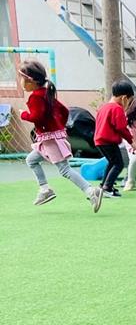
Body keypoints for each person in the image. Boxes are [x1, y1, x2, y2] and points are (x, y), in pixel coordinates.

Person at [19, 59, 102, 212]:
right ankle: (45, 189)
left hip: (50, 140)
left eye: (22, 78)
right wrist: (59, 127)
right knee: (31, 160)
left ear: (31, 81)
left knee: (64, 169)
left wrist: (24, 115)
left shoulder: (35, 97)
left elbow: (36, 117)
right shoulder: (46, 93)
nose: (21, 82)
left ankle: (91, 191)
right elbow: (64, 111)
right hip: (51, 138)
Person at [95, 80, 134, 197]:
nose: (128, 104)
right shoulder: (117, 108)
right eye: (129, 101)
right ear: (124, 98)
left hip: (99, 141)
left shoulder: (104, 107)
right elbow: (121, 128)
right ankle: (107, 187)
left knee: (112, 162)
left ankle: (104, 186)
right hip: (109, 141)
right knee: (118, 164)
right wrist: (132, 141)